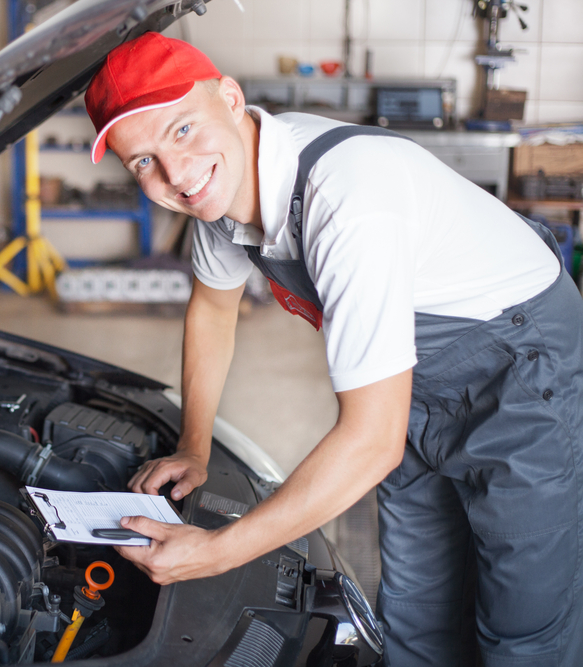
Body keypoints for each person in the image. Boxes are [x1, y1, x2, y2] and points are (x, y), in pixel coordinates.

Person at [83, 31, 583, 667]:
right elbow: (212, 310)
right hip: (416, 381)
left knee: (522, 620)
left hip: (516, 364)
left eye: (181, 130)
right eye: (143, 161)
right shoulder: (220, 203)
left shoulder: (345, 198)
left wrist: (216, 551)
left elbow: (371, 441)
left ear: (230, 99)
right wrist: (194, 446)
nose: (176, 176)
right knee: (419, 602)